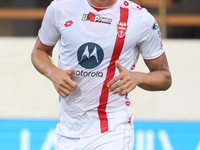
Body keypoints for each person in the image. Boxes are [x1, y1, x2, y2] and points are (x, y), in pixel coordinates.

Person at [31, 0, 172, 149]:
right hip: (68, 131)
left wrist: (138, 77)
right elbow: (39, 51)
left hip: (112, 132)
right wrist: (53, 73)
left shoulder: (140, 18)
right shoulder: (60, 8)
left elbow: (165, 77)